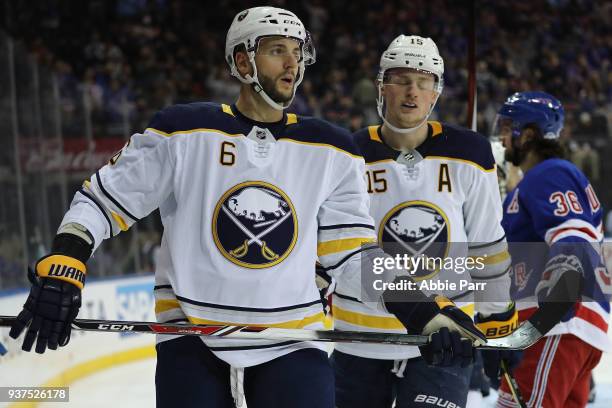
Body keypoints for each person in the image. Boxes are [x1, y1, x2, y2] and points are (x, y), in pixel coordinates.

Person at [9, 7, 484, 408]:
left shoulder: (333, 149)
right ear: (242, 59)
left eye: (298, 53)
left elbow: (354, 256)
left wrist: (424, 311)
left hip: (293, 342)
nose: (292, 64)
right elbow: (99, 201)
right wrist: (66, 260)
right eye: (279, 50)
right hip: (191, 336)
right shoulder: (182, 132)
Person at [331, 35, 515, 408]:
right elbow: (343, 249)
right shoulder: (347, 153)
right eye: (400, 79)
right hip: (361, 337)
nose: (411, 91)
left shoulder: (470, 152)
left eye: (424, 81)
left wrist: (498, 323)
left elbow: (487, 245)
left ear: (436, 92)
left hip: (446, 337)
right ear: (382, 86)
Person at [493, 91, 611, 408]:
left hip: (554, 325)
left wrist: (551, 310)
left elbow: (574, 236)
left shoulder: (550, 173)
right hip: (570, 328)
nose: (502, 139)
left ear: (528, 134)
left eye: (507, 128)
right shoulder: (539, 181)